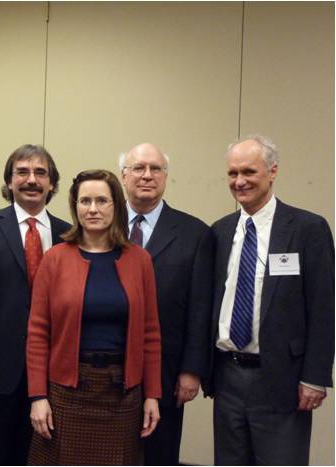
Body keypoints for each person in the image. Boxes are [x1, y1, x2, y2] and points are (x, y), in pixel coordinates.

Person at [205, 135, 334, 465]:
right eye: (232, 174)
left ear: (273, 171)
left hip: (283, 380)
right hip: (228, 377)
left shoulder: (307, 229)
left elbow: (323, 309)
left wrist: (315, 377)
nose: (239, 181)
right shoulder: (220, 232)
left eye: (249, 171)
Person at [27, 169, 162, 465]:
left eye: (102, 201)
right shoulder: (55, 259)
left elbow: (150, 334)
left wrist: (152, 394)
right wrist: (38, 397)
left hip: (122, 394)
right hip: (67, 393)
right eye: (84, 201)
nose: (93, 209)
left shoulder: (140, 260)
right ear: (75, 207)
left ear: (116, 205)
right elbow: (38, 332)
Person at [0, 144, 71, 466]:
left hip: (53, 370)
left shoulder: (69, 235)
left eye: (40, 172)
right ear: (9, 182)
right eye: (22, 172)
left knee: (41, 455)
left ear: (52, 183)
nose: (31, 179)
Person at [119, 143, 213, 465]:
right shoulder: (100, 225)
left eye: (155, 169)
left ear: (166, 176)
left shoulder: (195, 233)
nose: (147, 175)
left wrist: (192, 370)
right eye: (139, 168)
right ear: (123, 175)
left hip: (167, 371)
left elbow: (201, 309)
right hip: (107, 369)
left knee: (160, 453)